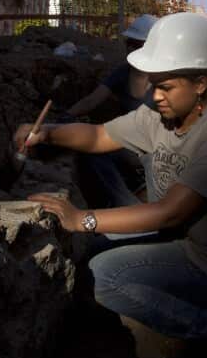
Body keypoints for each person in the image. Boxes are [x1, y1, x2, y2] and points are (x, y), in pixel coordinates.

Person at [16, 12, 207, 358]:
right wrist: (46, 134)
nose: (155, 95)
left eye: (166, 86)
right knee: (94, 250)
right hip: (182, 241)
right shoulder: (159, 117)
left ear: (201, 83)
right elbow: (100, 136)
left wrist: (81, 218)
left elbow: (168, 213)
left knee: (103, 276)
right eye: (154, 85)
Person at [66, 14, 158, 214]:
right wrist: (66, 116)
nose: (131, 49)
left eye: (137, 44)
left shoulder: (162, 78)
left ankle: (136, 208)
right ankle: (127, 206)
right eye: (129, 44)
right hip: (130, 143)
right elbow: (93, 100)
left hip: (157, 149)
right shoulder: (123, 72)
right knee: (91, 154)